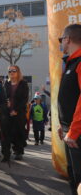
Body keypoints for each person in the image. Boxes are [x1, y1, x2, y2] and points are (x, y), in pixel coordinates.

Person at [57, 24, 81, 195]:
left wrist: (73, 131)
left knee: (79, 178)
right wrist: (62, 124)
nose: (61, 43)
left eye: (61, 39)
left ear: (67, 39)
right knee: (73, 176)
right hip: (69, 131)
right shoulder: (70, 63)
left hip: (77, 134)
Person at [3, 65, 29, 161]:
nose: (11, 72)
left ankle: (19, 151)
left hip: (19, 112)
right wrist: (7, 102)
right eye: (10, 71)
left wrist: (16, 110)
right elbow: (4, 96)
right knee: (9, 132)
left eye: (14, 70)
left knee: (18, 132)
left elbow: (24, 99)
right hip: (8, 112)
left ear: (18, 72)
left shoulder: (23, 83)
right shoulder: (7, 83)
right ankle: (11, 150)